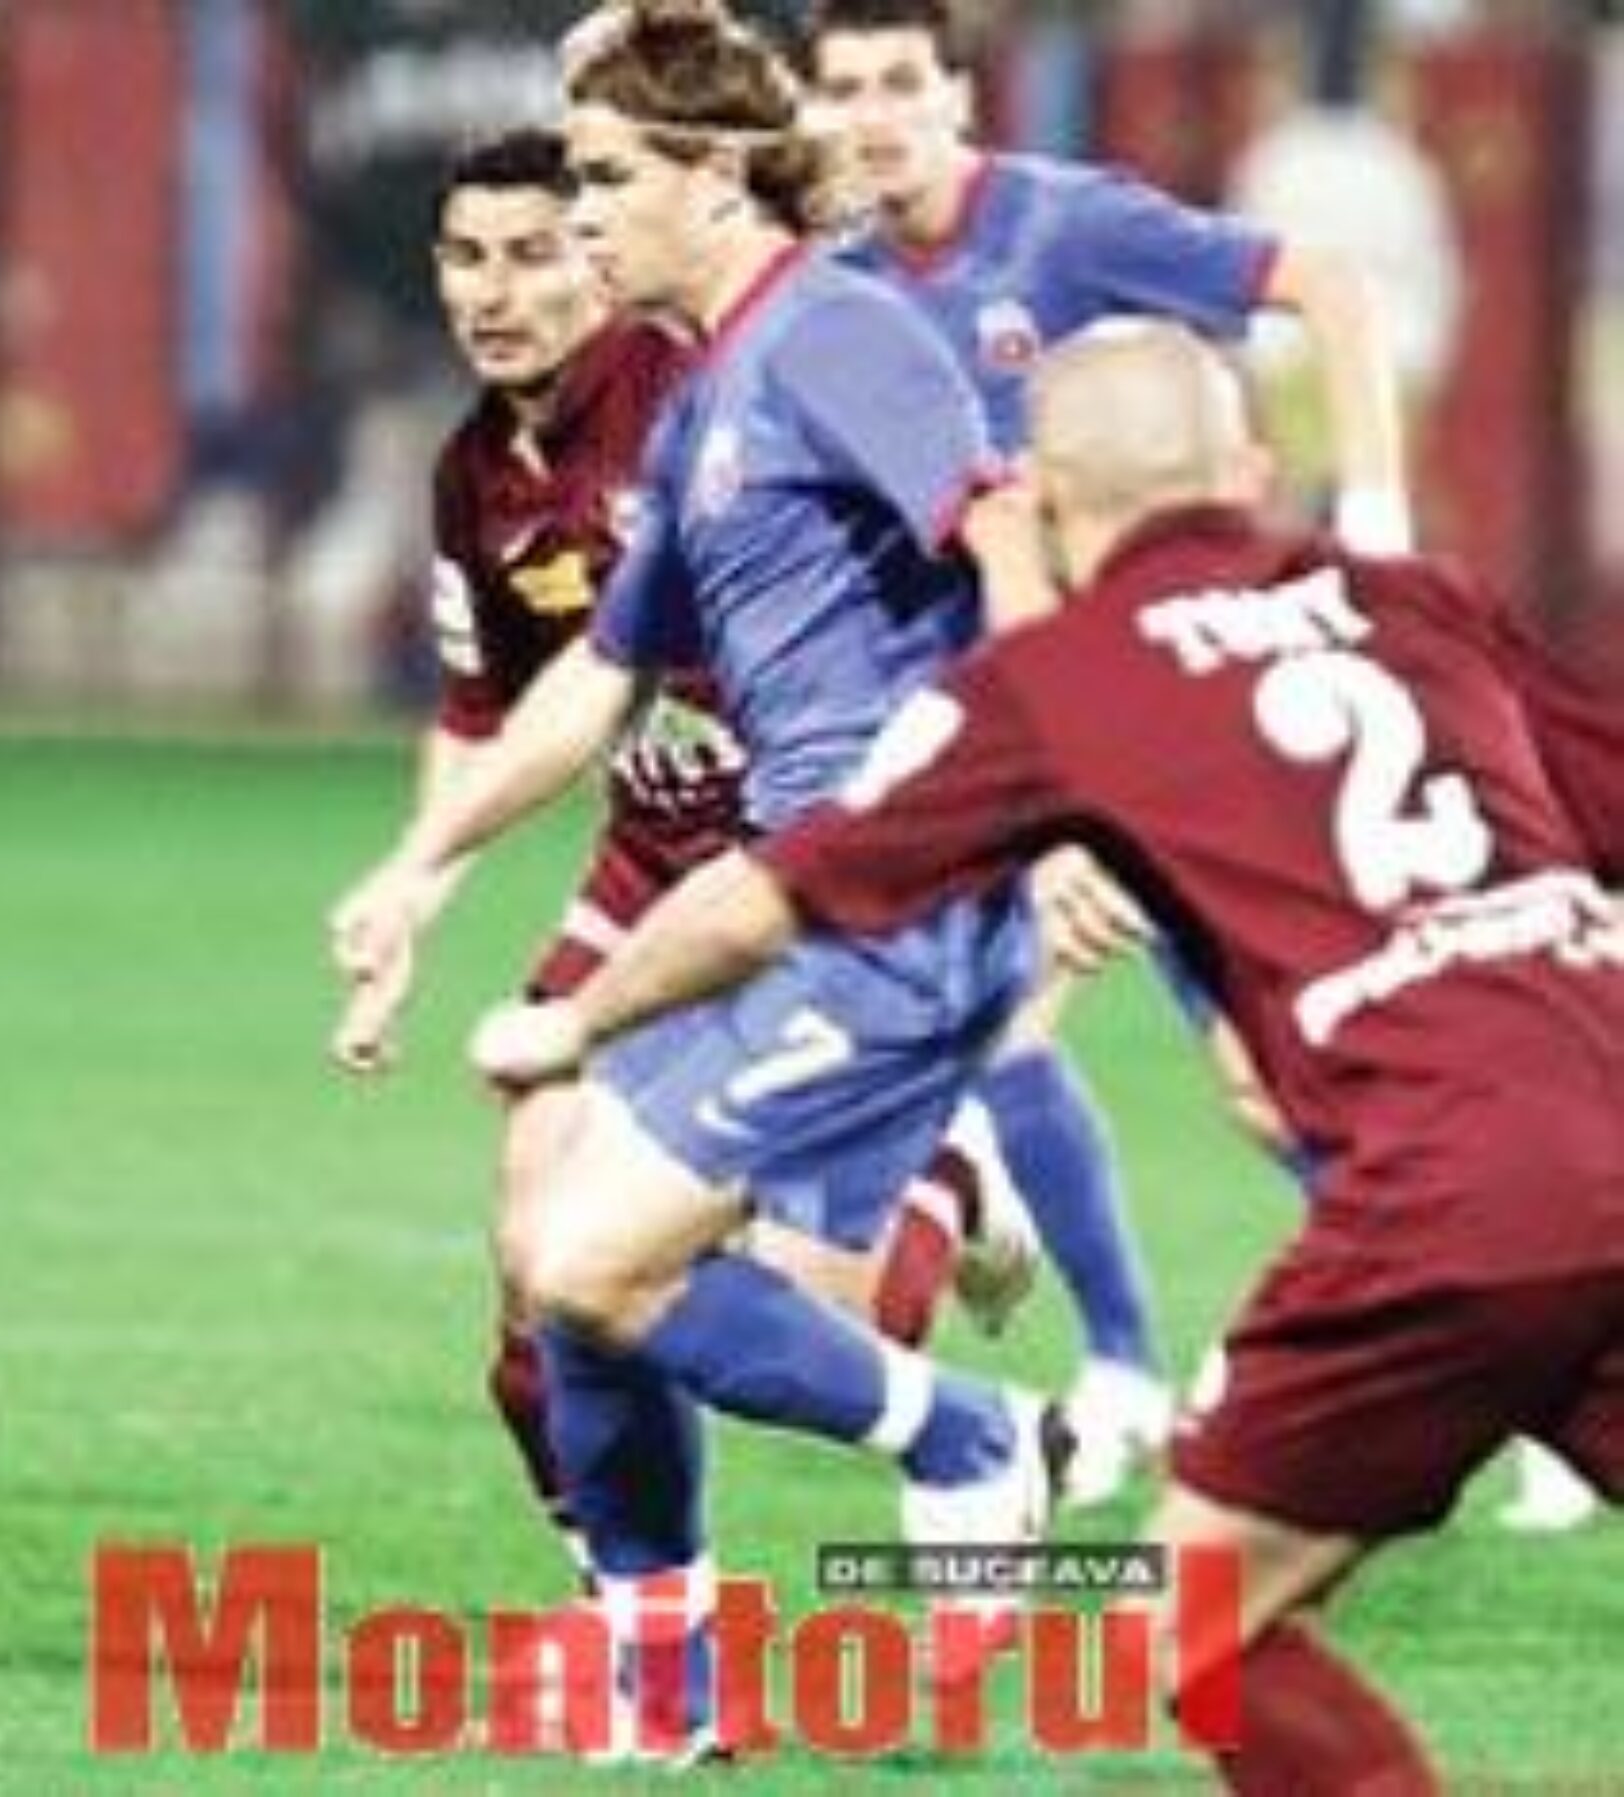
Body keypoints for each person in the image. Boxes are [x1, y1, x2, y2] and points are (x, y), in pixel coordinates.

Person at [474, 317, 1624, 1791]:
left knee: (1197, 1628)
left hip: (1447, 1194)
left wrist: (577, 1019)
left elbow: (770, 896)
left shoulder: (1061, 679)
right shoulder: (1419, 600)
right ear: (1251, 469)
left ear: (1051, 506)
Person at [332, 125, 1041, 1593]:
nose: (495, 291)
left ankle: (945, 1180)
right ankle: (631, 1612)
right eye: (466, 258)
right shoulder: (475, 472)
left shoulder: (700, 381)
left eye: (537, 249)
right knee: (541, 1272)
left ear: (602, 255)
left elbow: (970, 519)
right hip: (652, 870)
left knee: (820, 1314)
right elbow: (493, 711)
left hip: (797, 874)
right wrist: (413, 885)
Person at [788, 0, 1415, 1503]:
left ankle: (1480, 1328)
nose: (874, 116)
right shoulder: (840, 293)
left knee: (1267, 1070)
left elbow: (1327, 286)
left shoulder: (1065, 228)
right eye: (844, 89)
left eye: (900, 82)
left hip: (1176, 713)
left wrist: (1379, 525)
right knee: (1013, 1030)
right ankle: (1131, 1365)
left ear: (959, 94)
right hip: (1024, 733)